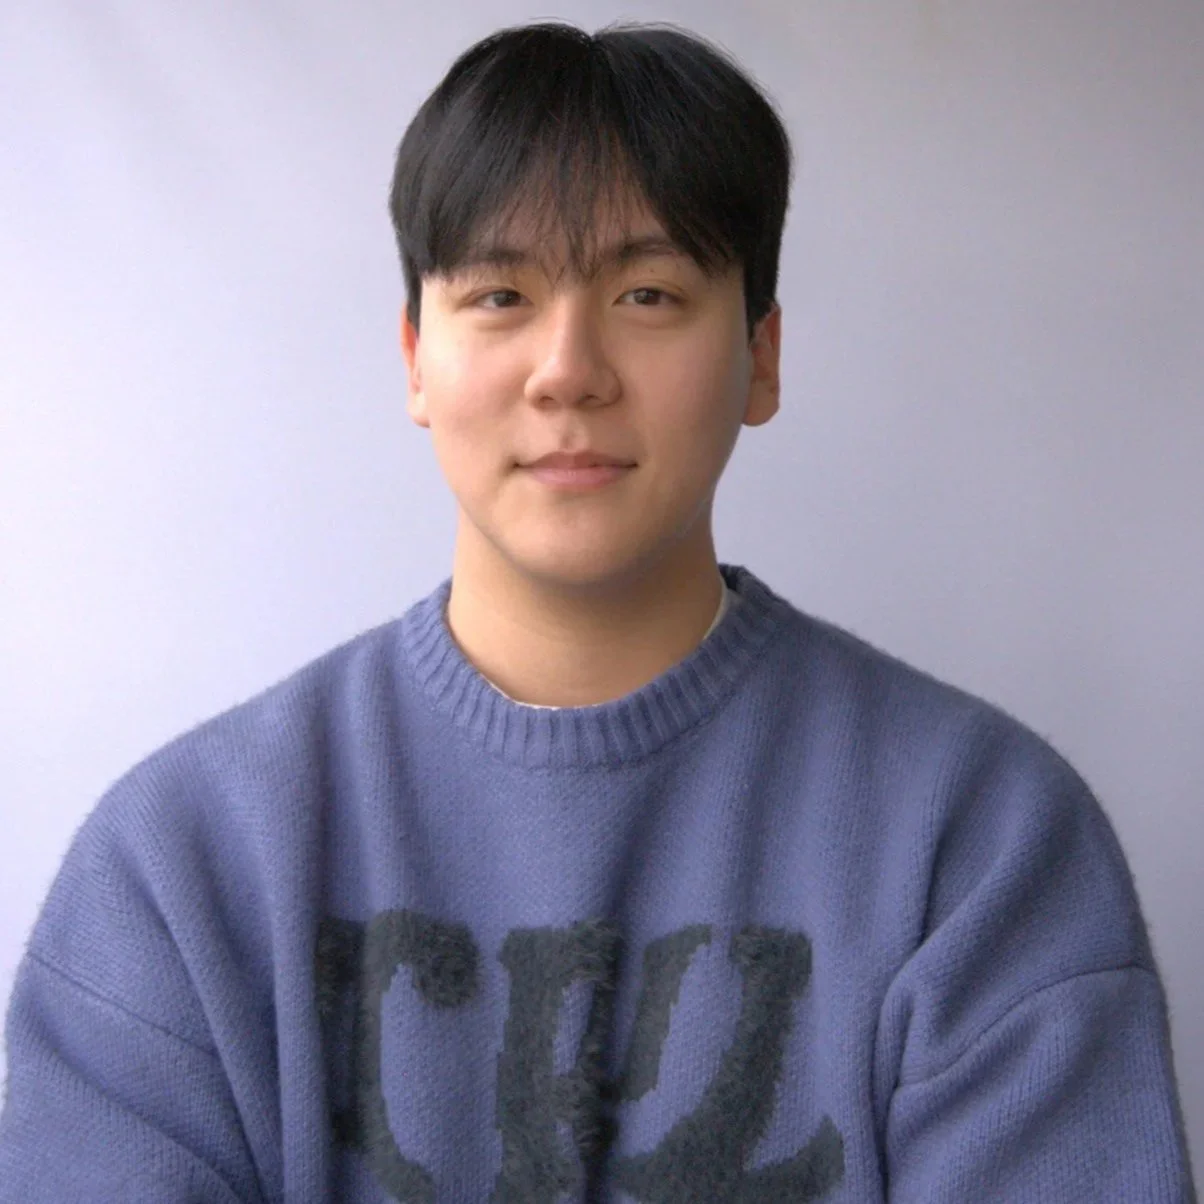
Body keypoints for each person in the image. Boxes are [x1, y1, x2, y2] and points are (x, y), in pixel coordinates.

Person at [0, 18, 1196, 1203]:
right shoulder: (184, 861)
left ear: (761, 356)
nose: (567, 368)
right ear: (415, 357)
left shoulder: (978, 838)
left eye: (647, 292)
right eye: (500, 294)